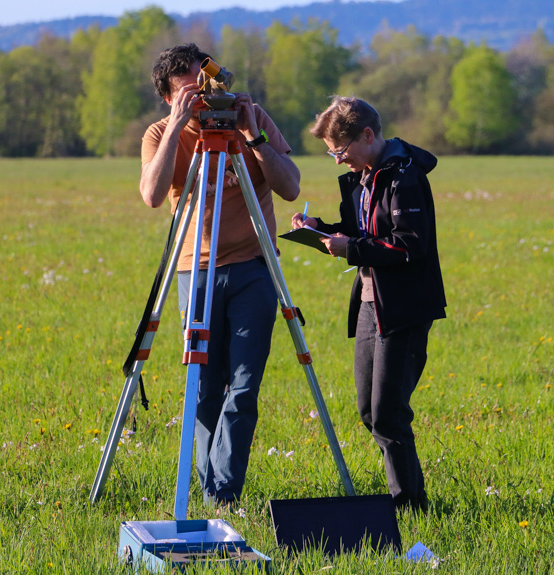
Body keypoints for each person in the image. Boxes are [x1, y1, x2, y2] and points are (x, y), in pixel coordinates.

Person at [140, 43, 301, 505]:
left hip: (254, 267)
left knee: (245, 384)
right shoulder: (159, 131)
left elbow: (290, 187)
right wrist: (176, 127)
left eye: (212, 82)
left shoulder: (248, 116)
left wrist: (252, 135)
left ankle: (224, 492)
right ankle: (211, 487)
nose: (210, 96)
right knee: (204, 385)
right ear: (170, 98)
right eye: (195, 89)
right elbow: (152, 196)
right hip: (198, 270)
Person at [291, 96, 446, 511]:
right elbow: (359, 231)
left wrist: (351, 248)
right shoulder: (362, 177)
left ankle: (410, 507)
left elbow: (410, 245)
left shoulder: (405, 177)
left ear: (367, 135)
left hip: (404, 306)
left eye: (340, 151)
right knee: (369, 410)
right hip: (368, 303)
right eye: (331, 153)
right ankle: (405, 498)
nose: (338, 160)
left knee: (389, 413)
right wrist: (319, 230)